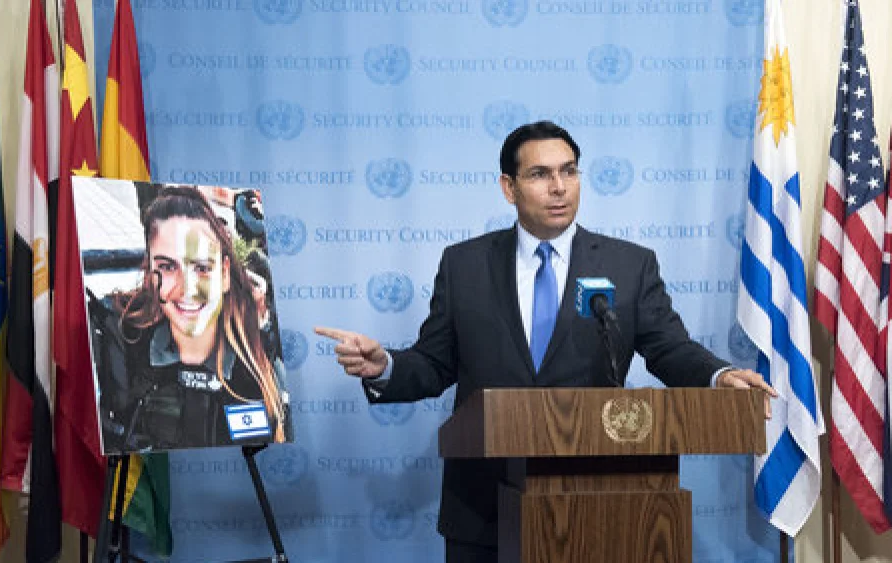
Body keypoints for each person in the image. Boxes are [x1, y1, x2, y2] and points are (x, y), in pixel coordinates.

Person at [315, 120, 774, 563]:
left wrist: (720, 374)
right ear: (508, 188)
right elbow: (434, 364)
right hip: (482, 509)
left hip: (599, 504)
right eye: (540, 174)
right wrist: (386, 367)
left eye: (569, 170)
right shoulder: (464, 266)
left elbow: (670, 348)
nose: (559, 187)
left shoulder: (629, 265)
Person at [93, 185, 290, 453]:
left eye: (201, 267)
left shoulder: (258, 349)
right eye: (167, 266)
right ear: (151, 275)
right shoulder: (124, 340)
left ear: (223, 273)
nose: (187, 287)